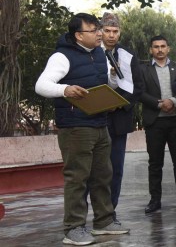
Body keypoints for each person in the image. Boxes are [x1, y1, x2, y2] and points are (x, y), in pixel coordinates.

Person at [35, 13, 129, 246]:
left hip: (100, 123)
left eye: (99, 29)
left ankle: (104, 221)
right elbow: (41, 85)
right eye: (94, 30)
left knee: (102, 175)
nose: (100, 34)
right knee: (78, 178)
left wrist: (114, 78)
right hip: (75, 126)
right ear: (78, 35)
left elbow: (107, 84)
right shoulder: (62, 56)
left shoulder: (100, 53)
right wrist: (65, 90)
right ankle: (73, 228)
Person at [100, 12, 143, 221]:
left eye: (115, 31)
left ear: (120, 32)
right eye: (107, 31)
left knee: (116, 168)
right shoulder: (92, 53)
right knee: (96, 169)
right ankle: (91, 212)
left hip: (118, 119)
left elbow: (138, 88)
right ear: (100, 31)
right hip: (95, 118)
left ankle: (110, 212)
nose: (111, 35)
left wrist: (117, 105)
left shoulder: (128, 55)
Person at [138, 35, 176, 214]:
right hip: (155, 121)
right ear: (151, 50)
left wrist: (173, 101)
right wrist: (159, 104)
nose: (159, 49)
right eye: (156, 46)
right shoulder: (143, 70)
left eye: (162, 46)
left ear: (168, 49)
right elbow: (139, 92)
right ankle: (155, 200)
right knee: (155, 163)